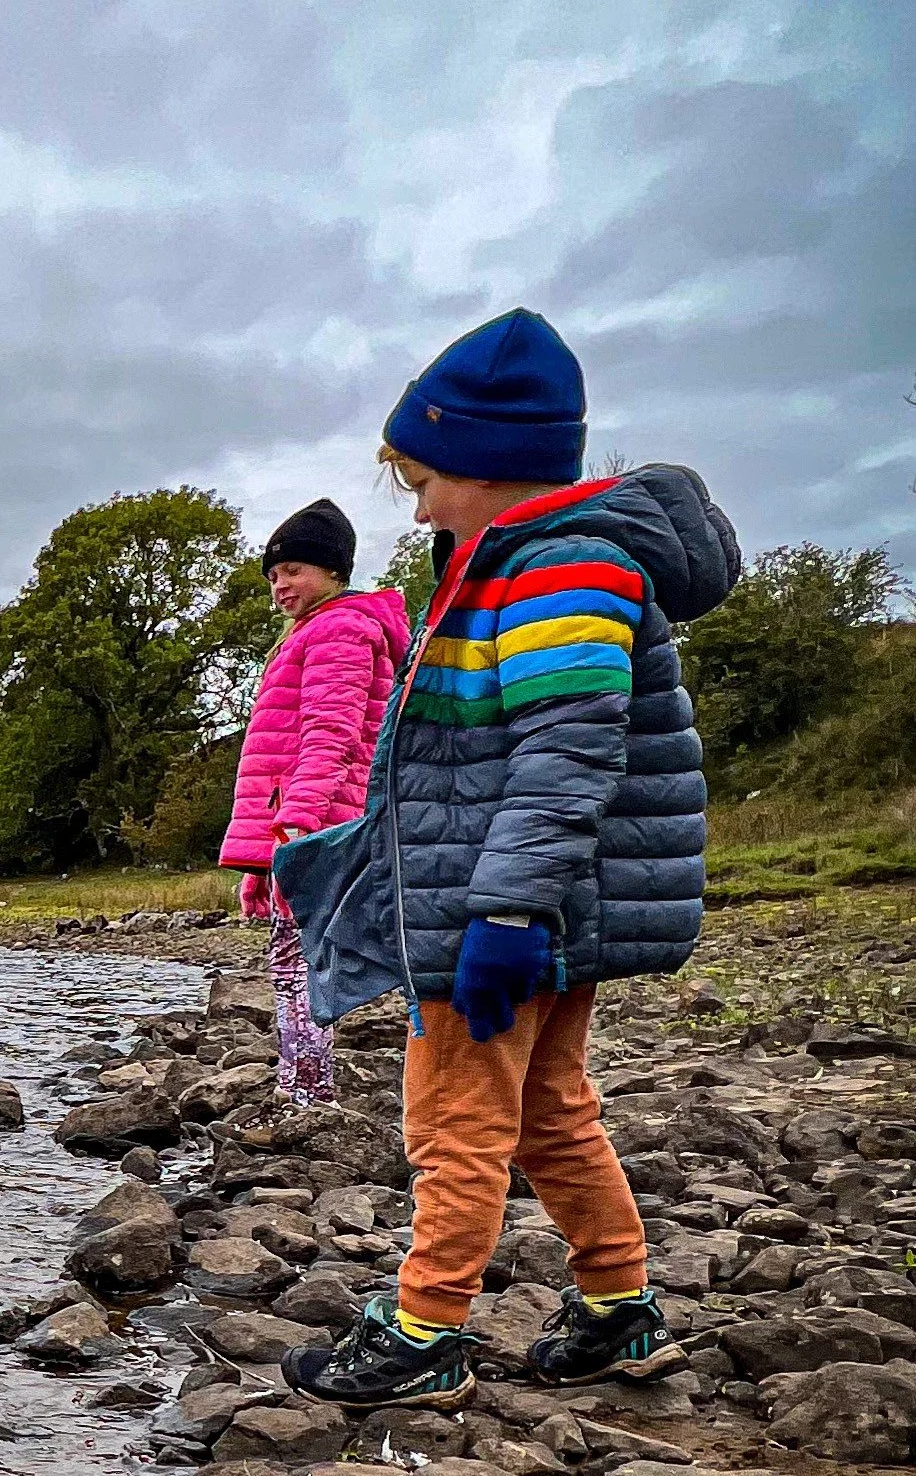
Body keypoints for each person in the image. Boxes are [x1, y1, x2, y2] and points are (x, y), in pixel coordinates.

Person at [271, 307, 740, 1407]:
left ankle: (425, 1325)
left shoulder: (551, 573)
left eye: (425, 479)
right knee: (547, 1110)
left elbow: (563, 754)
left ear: (492, 466)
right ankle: (619, 1305)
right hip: (533, 899)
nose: (420, 503)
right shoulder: (533, 565)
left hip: (503, 905)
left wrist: (505, 913)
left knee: (452, 1116)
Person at [219, 500, 408, 1108]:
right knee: (291, 959)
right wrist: (260, 866)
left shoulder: (338, 630)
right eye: (274, 575)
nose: (280, 586)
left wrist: (292, 829)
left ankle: (307, 1093)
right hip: (302, 825)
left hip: (317, 824)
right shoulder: (311, 634)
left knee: (297, 963)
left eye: (294, 570)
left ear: (333, 571)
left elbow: (332, 735)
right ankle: (301, 1084)